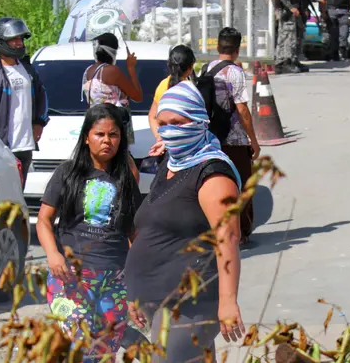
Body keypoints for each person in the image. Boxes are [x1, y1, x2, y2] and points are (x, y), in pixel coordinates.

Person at [125, 80, 244, 362]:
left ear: (200, 121)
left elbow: (228, 239)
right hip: (158, 298)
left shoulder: (212, 173)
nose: (169, 131)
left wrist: (228, 301)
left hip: (192, 303)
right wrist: (136, 290)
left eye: (178, 122)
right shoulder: (171, 163)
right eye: (163, 123)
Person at [36, 103, 141, 363]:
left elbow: (134, 234)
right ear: (86, 137)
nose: (107, 141)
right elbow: (44, 220)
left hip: (114, 279)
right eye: (100, 134)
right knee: (78, 347)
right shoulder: (67, 173)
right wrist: (53, 256)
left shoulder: (127, 179)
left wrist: (138, 287)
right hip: (71, 276)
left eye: (113, 135)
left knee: (104, 352)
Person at [0, 17, 49, 185]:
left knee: (18, 197)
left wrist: (39, 122)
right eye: (13, 39)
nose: (19, 43)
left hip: (25, 146)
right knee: (2, 199)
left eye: (20, 39)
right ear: (0, 41)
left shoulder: (26, 68)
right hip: (2, 149)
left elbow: (41, 94)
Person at [202, 27, 260, 244]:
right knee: (242, 185)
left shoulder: (207, 69)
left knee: (217, 184)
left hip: (212, 139)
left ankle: (217, 229)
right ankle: (241, 233)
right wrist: (253, 140)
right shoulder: (235, 72)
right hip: (234, 140)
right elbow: (242, 110)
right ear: (237, 49)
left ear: (218, 47)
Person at [82, 32, 143, 145]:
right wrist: (131, 68)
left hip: (95, 124)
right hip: (113, 127)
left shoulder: (89, 71)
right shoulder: (113, 71)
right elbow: (137, 96)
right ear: (114, 51)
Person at [149, 44, 196, 151]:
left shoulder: (162, 85)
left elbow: (152, 116)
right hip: (185, 149)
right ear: (190, 67)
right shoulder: (190, 89)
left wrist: (160, 138)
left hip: (165, 149)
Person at [274, 0, 310, 74]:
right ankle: (284, 62)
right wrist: (290, 7)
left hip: (294, 12)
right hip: (287, 13)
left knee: (294, 38)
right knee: (286, 37)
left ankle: (293, 60)